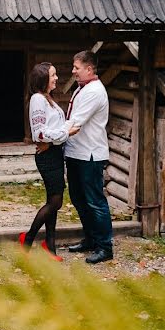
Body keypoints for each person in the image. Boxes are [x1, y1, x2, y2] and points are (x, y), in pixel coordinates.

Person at [20, 62, 78, 260]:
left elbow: (54, 130)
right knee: (56, 202)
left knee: (52, 201)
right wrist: (65, 133)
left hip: (53, 153)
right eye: (53, 75)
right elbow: (40, 133)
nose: (56, 78)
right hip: (47, 157)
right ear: (43, 78)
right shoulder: (38, 99)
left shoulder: (48, 99)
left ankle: (50, 246)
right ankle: (27, 240)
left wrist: (63, 133)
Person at [64, 50, 113, 264]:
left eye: (77, 67)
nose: (73, 71)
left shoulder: (94, 91)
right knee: (78, 198)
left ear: (89, 69)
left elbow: (76, 122)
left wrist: (49, 136)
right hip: (76, 152)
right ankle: (91, 239)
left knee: (94, 201)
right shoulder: (81, 88)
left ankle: (105, 247)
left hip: (90, 154)